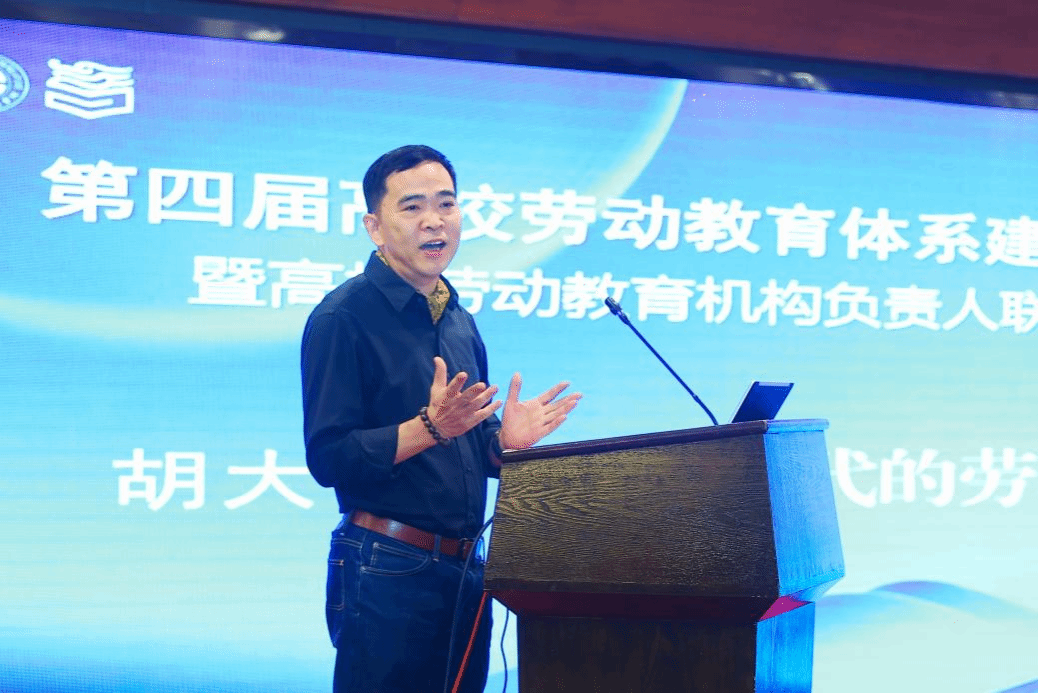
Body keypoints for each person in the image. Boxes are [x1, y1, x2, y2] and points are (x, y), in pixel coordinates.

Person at [300, 144, 581, 693]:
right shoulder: (342, 317)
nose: (435, 220)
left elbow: (468, 440)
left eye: (446, 204)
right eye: (413, 207)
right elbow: (329, 458)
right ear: (375, 227)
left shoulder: (457, 319)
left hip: (466, 571)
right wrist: (428, 428)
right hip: (386, 565)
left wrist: (503, 444)